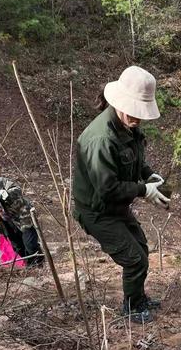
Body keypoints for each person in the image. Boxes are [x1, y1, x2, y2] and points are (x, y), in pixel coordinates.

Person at [72, 65, 170, 324]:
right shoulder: (101, 139)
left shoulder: (128, 126)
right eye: (134, 112)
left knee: (142, 249)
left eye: (141, 113)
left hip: (116, 206)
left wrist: (149, 176)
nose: (138, 119)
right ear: (120, 102)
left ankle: (138, 298)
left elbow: (133, 160)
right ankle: (131, 309)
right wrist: (143, 190)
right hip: (96, 210)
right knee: (133, 258)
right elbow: (107, 188)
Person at [0, 177, 44, 267]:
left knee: (30, 244)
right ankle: (28, 265)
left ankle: (37, 266)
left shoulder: (1, 182)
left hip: (23, 217)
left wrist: (3, 193)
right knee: (17, 247)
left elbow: (18, 191)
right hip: (6, 222)